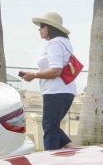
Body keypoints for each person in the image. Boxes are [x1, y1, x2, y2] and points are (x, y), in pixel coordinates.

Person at [20, 12, 76, 150]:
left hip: (55, 91)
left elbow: (56, 70)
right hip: (67, 90)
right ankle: (76, 151)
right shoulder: (65, 43)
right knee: (52, 126)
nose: (39, 29)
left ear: (50, 28)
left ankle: (50, 162)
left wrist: (34, 74)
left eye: (42, 26)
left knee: (50, 127)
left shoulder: (54, 43)